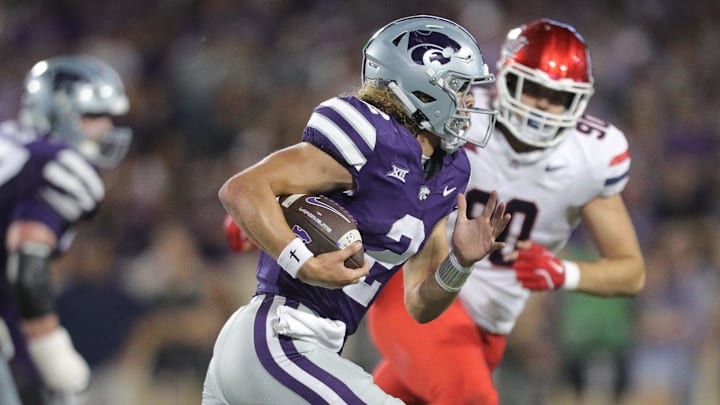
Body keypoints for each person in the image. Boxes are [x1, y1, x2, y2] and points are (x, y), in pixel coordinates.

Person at [202, 14, 511, 404]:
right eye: (461, 88)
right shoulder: (370, 133)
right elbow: (242, 189)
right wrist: (303, 262)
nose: (471, 101)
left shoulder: (450, 172)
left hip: (301, 351)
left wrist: (460, 264)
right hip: (278, 340)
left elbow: (419, 303)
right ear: (422, 87)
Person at [365, 18, 646, 404]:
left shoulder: (593, 156)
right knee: (472, 399)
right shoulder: (456, 113)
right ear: (505, 79)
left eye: (558, 96)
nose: (543, 106)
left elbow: (630, 271)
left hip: (489, 329)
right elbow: (377, 167)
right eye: (532, 89)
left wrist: (564, 272)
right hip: (418, 291)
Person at [0, 55, 132, 403]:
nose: (105, 127)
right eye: (93, 115)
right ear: (58, 112)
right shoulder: (56, 164)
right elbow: (26, 271)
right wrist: (56, 360)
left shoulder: (13, 142)